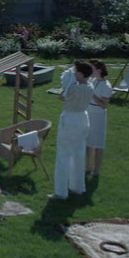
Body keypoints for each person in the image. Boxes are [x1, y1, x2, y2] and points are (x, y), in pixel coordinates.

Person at [50, 61, 94, 200]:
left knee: (63, 155)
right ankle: (77, 187)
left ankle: (61, 192)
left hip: (70, 120)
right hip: (83, 119)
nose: (74, 74)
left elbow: (61, 97)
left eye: (76, 72)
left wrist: (67, 83)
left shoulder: (74, 88)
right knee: (78, 154)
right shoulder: (90, 86)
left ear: (81, 74)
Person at [85, 59, 113, 178]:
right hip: (88, 112)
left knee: (97, 144)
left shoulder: (106, 86)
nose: (90, 71)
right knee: (88, 142)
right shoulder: (92, 80)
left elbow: (104, 104)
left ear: (99, 70)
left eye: (92, 69)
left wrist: (92, 94)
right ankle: (88, 167)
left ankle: (96, 170)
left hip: (98, 114)